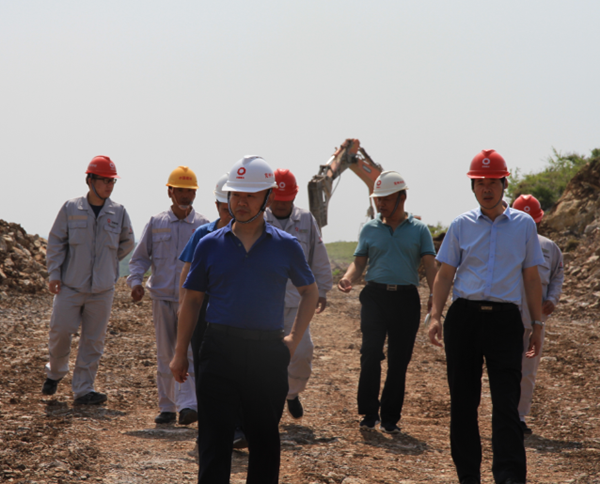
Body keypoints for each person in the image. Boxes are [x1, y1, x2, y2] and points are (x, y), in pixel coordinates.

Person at [170, 155, 319, 484]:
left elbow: (310, 292)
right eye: (235, 194)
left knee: (264, 441)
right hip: (218, 350)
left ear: (267, 197)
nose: (240, 202)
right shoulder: (209, 245)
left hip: (267, 354)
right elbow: (191, 300)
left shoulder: (286, 246)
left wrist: (293, 340)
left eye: (250, 195)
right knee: (213, 441)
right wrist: (180, 353)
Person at [428, 150, 545, 484]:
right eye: (480, 183)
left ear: (504, 184)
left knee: (507, 403)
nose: (487, 188)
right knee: (463, 403)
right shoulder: (460, 225)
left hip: (506, 321)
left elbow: (532, 278)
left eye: (493, 182)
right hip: (464, 319)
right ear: (473, 187)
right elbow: (444, 274)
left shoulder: (524, 226)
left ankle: (509, 476)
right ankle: (468, 476)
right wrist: (435, 315)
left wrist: (537, 324)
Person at [338, 171, 437, 433]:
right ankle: (369, 413)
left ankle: (390, 418)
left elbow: (430, 265)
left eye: (385, 198)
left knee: (399, 359)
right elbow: (359, 262)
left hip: (406, 299)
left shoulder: (419, 230)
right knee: (370, 353)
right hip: (375, 297)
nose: (380, 203)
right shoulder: (370, 229)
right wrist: (347, 278)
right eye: (377, 199)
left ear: (402, 197)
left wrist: (435, 298)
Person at [42, 156, 134, 405]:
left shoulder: (119, 212)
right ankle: (55, 372)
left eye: (112, 181)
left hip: (102, 289)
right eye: (105, 180)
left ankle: (83, 390)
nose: (109, 186)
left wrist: (108, 262)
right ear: (90, 180)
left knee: (93, 341)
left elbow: (127, 242)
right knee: (60, 332)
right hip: (70, 286)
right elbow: (56, 242)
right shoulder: (71, 208)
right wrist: (54, 274)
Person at [127, 166, 208, 425]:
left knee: (190, 353)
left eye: (190, 191)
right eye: (180, 190)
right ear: (170, 191)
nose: (185, 195)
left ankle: (188, 406)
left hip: (191, 301)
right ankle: (167, 407)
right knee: (165, 354)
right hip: (162, 298)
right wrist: (135, 282)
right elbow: (140, 258)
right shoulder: (156, 222)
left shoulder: (204, 226)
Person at [265, 168, 333, 419]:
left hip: (298, 301)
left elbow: (318, 256)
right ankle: (265, 405)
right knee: (263, 358)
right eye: (277, 199)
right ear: (269, 196)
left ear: (294, 196)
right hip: (264, 304)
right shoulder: (258, 219)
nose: (281, 204)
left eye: (286, 200)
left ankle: (291, 394)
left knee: (302, 354)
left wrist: (322, 290)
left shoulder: (306, 220)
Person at [512, 194, 564, 436]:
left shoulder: (549, 248)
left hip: (535, 323)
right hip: (506, 320)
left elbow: (557, 277)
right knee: (505, 370)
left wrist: (552, 299)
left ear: (539, 222)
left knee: (528, 371)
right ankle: (505, 416)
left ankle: (519, 417)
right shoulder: (504, 244)